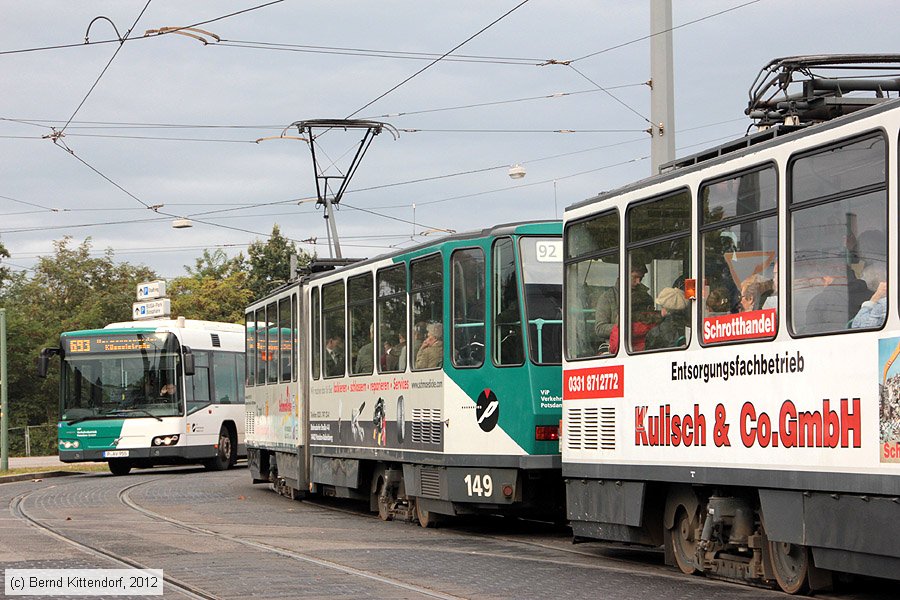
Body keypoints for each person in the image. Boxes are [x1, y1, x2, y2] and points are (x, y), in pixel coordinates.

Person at [594, 264, 654, 341]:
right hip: (617, 346)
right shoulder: (608, 297)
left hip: (645, 344)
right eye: (635, 277)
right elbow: (600, 328)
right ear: (625, 274)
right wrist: (627, 328)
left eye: (641, 278)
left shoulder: (646, 298)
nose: (638, 282)